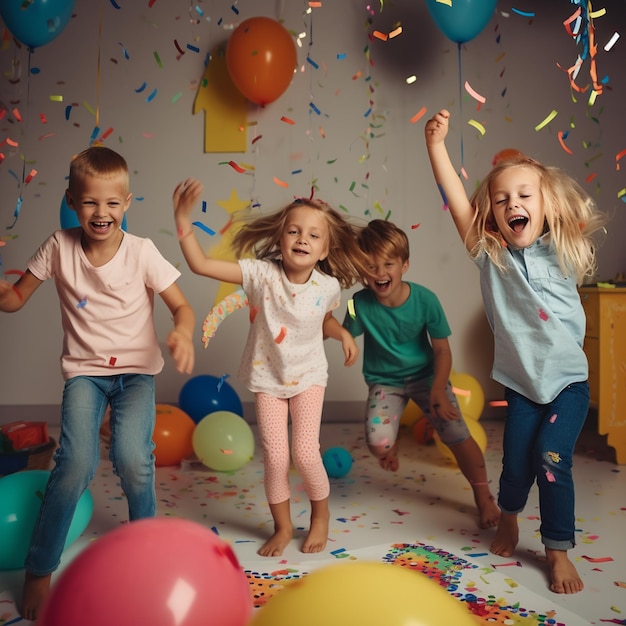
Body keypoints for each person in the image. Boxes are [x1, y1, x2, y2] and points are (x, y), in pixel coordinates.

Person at [0, 146, 195, 620]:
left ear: (126, 203)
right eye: (90, 202)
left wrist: (183, 331)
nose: (101, 212)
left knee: (133, 460)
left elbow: (182, 306)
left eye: (112, 203)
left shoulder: (143, 251)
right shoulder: (58, 245)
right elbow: (16, 299)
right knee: (75, 464)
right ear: (72, 200)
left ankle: (144, 548)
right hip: (85, 374)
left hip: (135, 376)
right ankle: (40, 568)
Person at [424, 109, 605, 594]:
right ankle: (509, 518)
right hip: (522, 386)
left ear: (547, 207)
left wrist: (546, 193)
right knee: (517, 466)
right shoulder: (491, 255)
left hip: (567, 383)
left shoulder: (563, 247)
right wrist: (437, 146)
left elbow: (559, 211)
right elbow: (459, 201)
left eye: (525, 196)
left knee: (551, 459)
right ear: (493, 214)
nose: (512, 204)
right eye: (502, 199)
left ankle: (557, 550)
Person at [173, 179, 367, 557]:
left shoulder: (327, 286)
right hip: (268, 377)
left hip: (309, 376)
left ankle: (320, 516)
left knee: (306, 454)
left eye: (313, 235)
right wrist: (183, 218)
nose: (302, 239)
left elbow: (323, 320)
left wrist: (341, 331)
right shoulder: (261, 274)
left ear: (325, 248)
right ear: (280, 239)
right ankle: (282, 527)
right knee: (277, 458)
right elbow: (200, 265)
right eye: (294, 231)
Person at [342, 219, 500, 529]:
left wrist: (439, 389)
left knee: (457, 433)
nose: (380, 273)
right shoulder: (354, 303)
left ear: (405, 265)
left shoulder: (426, 300)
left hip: (427, 377)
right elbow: (341, 327)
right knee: (377, 443)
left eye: (388, 264)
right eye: (371, 267)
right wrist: (327, 314)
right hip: (385, 383)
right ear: (362, 271)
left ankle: (484, 496)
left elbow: (442, 351)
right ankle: (390, 445)